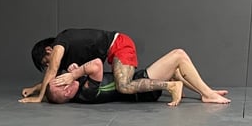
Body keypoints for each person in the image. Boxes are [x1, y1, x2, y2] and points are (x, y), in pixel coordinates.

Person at [21, 28, 180, 105]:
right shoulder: (70, 65)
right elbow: (55, 79)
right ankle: (176, 78)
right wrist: (35, 88)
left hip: (119, 44)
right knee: (174, 63)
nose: (49, 66)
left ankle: (172, 85)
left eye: (46, 62)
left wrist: (39, 97)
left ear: (49, 50)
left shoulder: (59, 45)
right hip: (119, 54)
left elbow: (53, 71)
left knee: (124, 85)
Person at [46, 49, 231, 106]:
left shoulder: (78, 88)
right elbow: (96, 65)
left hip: (140, 81)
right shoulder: (86, 93)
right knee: (179, 55)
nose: (63, 79)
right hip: (143, 88)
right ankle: (207, 94)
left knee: (176, 70)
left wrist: (74, 71)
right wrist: (76, 73)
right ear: (67, 92)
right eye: (61, 83)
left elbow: (84, 73)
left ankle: (206, 92)